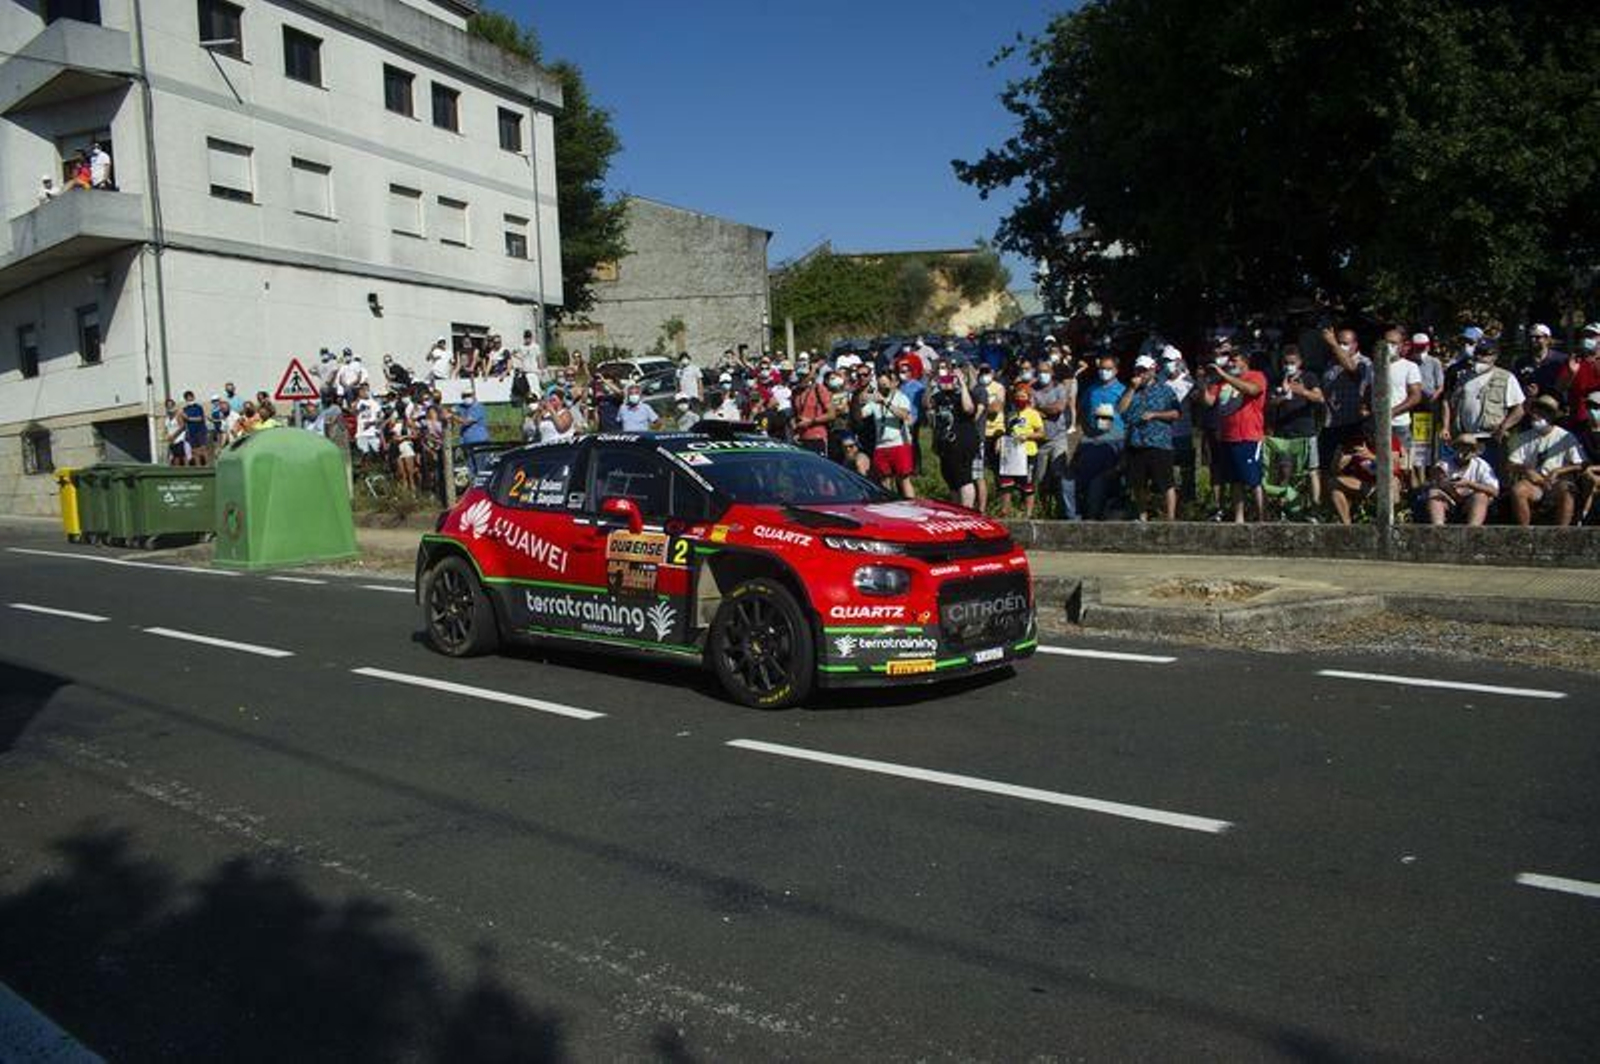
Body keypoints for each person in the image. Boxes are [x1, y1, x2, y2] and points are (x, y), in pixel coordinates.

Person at [1200, 344, 1268, 523]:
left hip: (1249, 436)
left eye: (1234, 360)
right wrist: (1203, 382)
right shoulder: (1221, 382)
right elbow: (1209, 402)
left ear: (1245, 362)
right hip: (1227, 436)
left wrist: (1224, 375)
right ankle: (1239, 518)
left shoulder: (1256, 376)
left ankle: (1262, 518)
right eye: (1229, 360)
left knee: (1253, 480)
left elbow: (1252, 390)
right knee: (1234, 480)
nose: (1230, 363)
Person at [1506, 395, 1588, 526]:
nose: (1536, 414)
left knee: (1568, 491)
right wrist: (1526, 470)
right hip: (1534, 483)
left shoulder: (1565, 436)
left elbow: (1581, 464)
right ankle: (1524, 532)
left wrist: (1559, 471)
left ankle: (1562, 534)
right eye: (1535, 410)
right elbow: (1511, 464)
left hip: (1558, 482)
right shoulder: (1523, 437)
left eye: (1542, 411)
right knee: (1518, 490)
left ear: (1551, 416)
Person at [1443, 338, 1524, 470]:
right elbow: (1450, 402)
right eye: (1478, 353)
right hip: (1465, 438)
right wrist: (1447, 427)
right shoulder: (1463, 377)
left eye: (1486, 354)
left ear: (1495, 356)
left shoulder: (1506, 377)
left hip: (1489, 438)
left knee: (1490, 478)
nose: (1481, 357)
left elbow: (1519, 410)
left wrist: (1503, 427)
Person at [1118, 354, 1182, 521]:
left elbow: (1176, 413)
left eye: (1144, 371)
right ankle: (1142, 515)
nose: (1141, 374)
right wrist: (1131, 389)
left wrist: (1156, 414)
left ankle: (1170, 518)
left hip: (1159, 442)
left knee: (1166, 483)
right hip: (1136, 442)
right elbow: (1121, 410)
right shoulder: (1130, 390)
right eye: (1138, 370)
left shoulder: (1165, 390)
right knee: (1138, 484)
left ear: (1153, 370)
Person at [1265, 343, 1323, 511]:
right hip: (1283, 432)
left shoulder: (1309, 377)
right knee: (1284, 470)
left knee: (1312, 470)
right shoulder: (1277, 379)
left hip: (1306, 430)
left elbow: (1319, 398)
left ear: (1300, 362)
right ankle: (1282, 507)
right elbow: (1269, 403)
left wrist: (1301, 391)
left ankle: (1315, 507)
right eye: (1285, 362)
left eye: (1292, 362)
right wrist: (1282, 396)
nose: (1288, 366)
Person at [1318, 326, 1372, 483]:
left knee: (1349, 469)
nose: (1340, 346)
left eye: (1344, 343)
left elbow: (1352, 369)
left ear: (1355, 345)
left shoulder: (1364, 363)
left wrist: (1333, 344)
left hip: (1352, 423)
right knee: (1325, 468)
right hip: (1330, 424)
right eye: (1338, 342)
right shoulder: (1331, 364)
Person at [927, 362, 981, 508]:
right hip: (945, 443)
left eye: (950, 379)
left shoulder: (966, 394)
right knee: (950, 478)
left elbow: (969, 409)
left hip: (963, 441)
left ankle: (967, 510)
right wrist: (930, 383)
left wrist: (962, 383)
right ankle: (956, 508)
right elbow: (926, 405)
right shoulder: (939, 396)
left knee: (964, 477)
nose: (947, 383)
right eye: (944, 379)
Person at [857, 370, 916, 498]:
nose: (882, 388)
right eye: (879, 386)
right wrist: (859, 397)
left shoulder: (901, 397)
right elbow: (860, 414)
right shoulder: (874, 400)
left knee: (903, 479)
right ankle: (889, 506)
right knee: (884, 480)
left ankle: (912, 506)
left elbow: (904, 415)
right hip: (881, 446)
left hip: (899, 443)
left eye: (884, 385)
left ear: (893, 383)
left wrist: (885, 402)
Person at [1377, 325, 1423, 476]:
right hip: (1377, 424)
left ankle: (1408, 496)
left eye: (1393, 343)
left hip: (1399, 425)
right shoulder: (1375, 366)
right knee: (1382, 465)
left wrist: (1392, 412)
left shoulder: (1410, 367)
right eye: (1385, 343)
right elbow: (1368, 391)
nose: (1388, 347)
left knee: (1405, 467)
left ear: (1403, 346)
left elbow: (1416, 396)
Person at [1423, 432, 1498, 526]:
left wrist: (1469, 484)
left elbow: (1495, 491)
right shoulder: (1443, 464)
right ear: (1455, 448)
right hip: (1449, 500)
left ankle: (1473, 530)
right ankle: (1438, 528)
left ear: (1474, 451)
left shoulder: (1482, 465)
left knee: (1481, 496)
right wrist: (1442, 483)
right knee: (1433, 493)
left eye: (1469, 448)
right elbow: (1432, 484)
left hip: (1470, 502)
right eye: (1461, 447)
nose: (1465, 451)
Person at [996, 385, 1044, 518]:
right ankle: (1005, 509)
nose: (1020, 399)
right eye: (1017, 396)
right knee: (1006, 481)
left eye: (1023, 396)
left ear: (1028, 398)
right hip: (1011, 453)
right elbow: (1007, 431)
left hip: (1028, 452)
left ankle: (1028, 513)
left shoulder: (1033, 414)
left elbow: (1041, 433)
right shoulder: (1011, 413)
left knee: (1027, 484)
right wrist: (1000, 441)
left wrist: (1027, 436)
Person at [791, 364, 834, 455]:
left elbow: (831, 414)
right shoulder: (795, 392)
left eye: (805, 375)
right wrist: (795, 430)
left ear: (811, 375)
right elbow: (795, 414)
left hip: (817, 437)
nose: (802, 378)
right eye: (800, 375)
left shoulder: (819, 389)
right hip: (801, 438)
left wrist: (811, 421)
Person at [354, 385, 383, 458]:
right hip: (361, 433)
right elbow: (353, 412)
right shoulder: (358, 403)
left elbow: (380, 418)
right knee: (363, 453)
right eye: (361, 391)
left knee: (377, 452)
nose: (364, 392)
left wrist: (371, 423)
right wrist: (357, 401)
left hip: (372, 432)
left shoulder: (374, 403)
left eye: (365, 390)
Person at [181, 390, 209, 465]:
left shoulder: (198, 407)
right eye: (187, 398)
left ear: (193, 397)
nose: (189, 399)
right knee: (194, 451)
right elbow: (184, 422)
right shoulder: (185, 409)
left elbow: (200, 418)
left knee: (203, 449)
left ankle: (207, 467)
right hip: (191, 432)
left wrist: (188, 418)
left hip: (200, 431)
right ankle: (198, 467)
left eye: (190, 397)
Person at [163, 399, 189, 465]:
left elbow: (182, 426)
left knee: (182, 456)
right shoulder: (167, 418)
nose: (170, 407)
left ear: (174, 406)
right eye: (168, 406)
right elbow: (166, 429)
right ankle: (177, 470)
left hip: (179, 439)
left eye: (171, 405)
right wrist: (165, 436)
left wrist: (174, 435)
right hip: (172, 441)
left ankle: (188, 470)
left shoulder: (178, 415)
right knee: (175, 456)